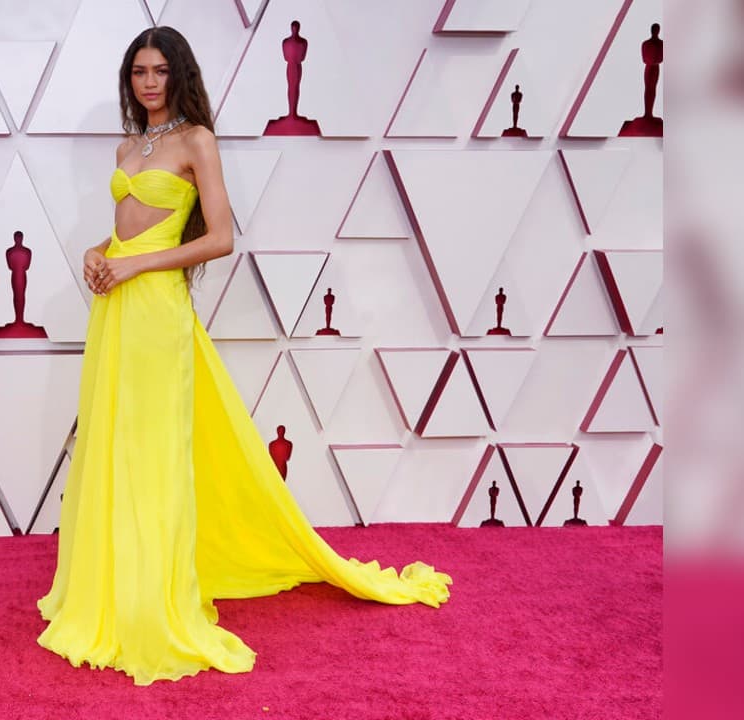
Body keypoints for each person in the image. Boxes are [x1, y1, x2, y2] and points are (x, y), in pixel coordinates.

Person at [35, 26, 453, 686]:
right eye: (139, 71)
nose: (148, 82)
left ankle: (155, 597)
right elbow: (124, 232)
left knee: (156, 451)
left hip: (157, 313)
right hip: (115, 310)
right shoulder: (126, 146)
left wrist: (139, 267)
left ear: (179, 76)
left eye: (159, 71)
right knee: (113, 445)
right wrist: (98, 253)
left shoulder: (195, 141)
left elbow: (221, 238)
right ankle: (109, 586)